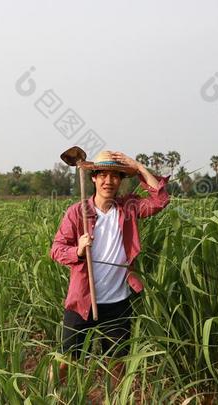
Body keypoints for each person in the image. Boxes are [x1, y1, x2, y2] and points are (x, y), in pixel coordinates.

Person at [49, 150, 170, 390]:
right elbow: (56, 249)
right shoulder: (77, 212)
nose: (108, 181)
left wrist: (139, 168)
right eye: (102, 175)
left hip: (118, 303)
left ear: (121, 180)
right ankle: (51, 397)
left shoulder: (128, 209)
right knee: (66, 361)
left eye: (115, 176)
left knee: (117, 365)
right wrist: (79, 251)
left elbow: (160, 200)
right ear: (93, 178)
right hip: (82, 301)